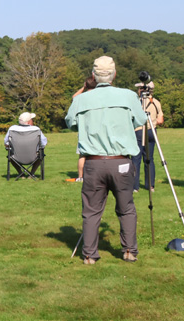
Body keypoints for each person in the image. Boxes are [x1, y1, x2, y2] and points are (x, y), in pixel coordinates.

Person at [65, 56, 147, 265]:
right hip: (121, 161)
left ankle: (90, 255)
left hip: (93, 163)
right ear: (114, 74)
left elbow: (70, 123)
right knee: (126, 207)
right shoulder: (128, 96)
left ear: (93, 75)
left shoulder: (81, 99)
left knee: (91, 211)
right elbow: (141, 121)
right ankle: (129, 250)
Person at [131, 82, 163, 192]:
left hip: (139, 131)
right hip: (152, 131)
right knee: (149, 159)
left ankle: (135, 186)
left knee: (136, 158)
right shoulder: (156, 102)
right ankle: (150, 185)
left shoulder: (136, 102)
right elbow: (160, 120)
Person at [67, 76, 98, 183]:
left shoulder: (82, 97)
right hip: (97, 127)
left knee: (82, 154)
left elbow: (74, 97)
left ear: (86, 85)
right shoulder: (97, 96)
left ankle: (81, 176)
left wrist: (83, 88)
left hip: (84, 129)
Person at [4, 112, 47, 176]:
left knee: (10, 154)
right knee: (41, 154)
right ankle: (32, 173)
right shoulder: (36, 129)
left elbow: (6, 142)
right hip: (33, 156)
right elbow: (43, 143)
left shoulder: (12, 129)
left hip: (16, 157)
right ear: (29, 121)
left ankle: (21, 173)